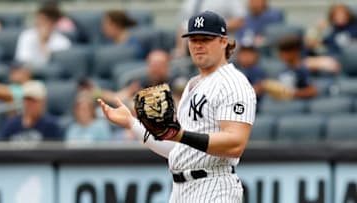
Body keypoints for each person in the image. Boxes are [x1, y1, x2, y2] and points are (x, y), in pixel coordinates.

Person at [98, 11, 256, 202]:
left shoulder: (233, 83)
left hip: (214, 185)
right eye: (193, 39)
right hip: (181, 188)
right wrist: (132, 123)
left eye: (205, 39)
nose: (198, 45)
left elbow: (235, 143)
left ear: (224, 41)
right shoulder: (192, 84)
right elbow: (177, 148)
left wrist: (181, 135)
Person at [173, 0, 247, 58]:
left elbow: (240, 21)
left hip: (223, 51)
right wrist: (180, 50)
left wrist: (213, 26)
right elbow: (183, 25)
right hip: (192, 53)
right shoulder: (190, 2)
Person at [14, 4, 71, 69]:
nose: (38, 22)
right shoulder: (26, 35)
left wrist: (42, 42)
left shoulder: (63, 42)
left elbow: (56, 67)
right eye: (38, 19)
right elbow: (23, 60)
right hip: (28, 74)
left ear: (53, 22)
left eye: (43, 20)